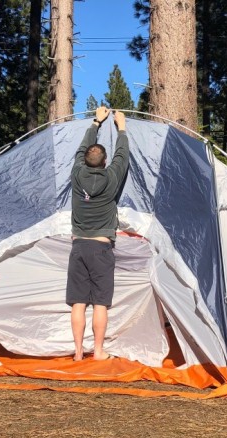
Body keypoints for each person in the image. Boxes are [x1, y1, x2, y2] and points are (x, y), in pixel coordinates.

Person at [67, 106, 130, 361]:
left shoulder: (77, 174)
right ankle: (99, 352)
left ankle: (79, 352)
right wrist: (121, 127)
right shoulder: (111, 177)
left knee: (78, 302)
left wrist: (96, 122)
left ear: (85, 161)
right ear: (104, 162)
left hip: (78, 247)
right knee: (100, 303)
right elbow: (122, 156)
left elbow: (81, 150)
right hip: (101, 249)